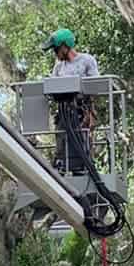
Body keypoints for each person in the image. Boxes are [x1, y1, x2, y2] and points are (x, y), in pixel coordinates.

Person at [42, 28, 99, 172]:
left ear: (65, 46)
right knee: (62, 141)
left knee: (82, 141)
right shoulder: (58, 66)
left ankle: (83, 168)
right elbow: (53, 88)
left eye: (56, 50)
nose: (55, 54)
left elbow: (95, 87)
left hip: (82, 111)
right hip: (64, 112)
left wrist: (91, 113)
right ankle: (62, 166)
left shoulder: (86, 60)